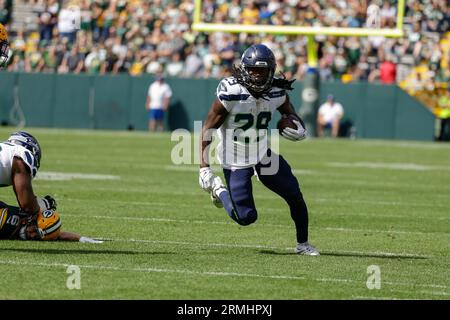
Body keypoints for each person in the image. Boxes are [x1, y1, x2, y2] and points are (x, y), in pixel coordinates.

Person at [198, 44, 319, 256]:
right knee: (246, 217)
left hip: (262, 154)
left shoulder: (276, 92)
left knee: (294, 194)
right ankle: (218, 190)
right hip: (234, 159)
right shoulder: (231, 91)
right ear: (243, 69)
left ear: (271, 71)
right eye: (252, 69)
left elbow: (290, 114)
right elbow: (207, 128)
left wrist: (298, 128)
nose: (256, 75)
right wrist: (204, 168)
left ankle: (303, 244)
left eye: (261, 71)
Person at [0, 131, 63, 239]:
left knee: (7, 212)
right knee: (9, 219)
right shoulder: (21, 154)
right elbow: (27, 205)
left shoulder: (5, 153)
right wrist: (40, 207)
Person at [0, 202, 102, 242]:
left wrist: (81, 238)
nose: (32, 235)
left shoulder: (42, 229)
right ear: (32, 220)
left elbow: (59, 235)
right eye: (34, 230)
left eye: (37, 237)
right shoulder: (8, 219)